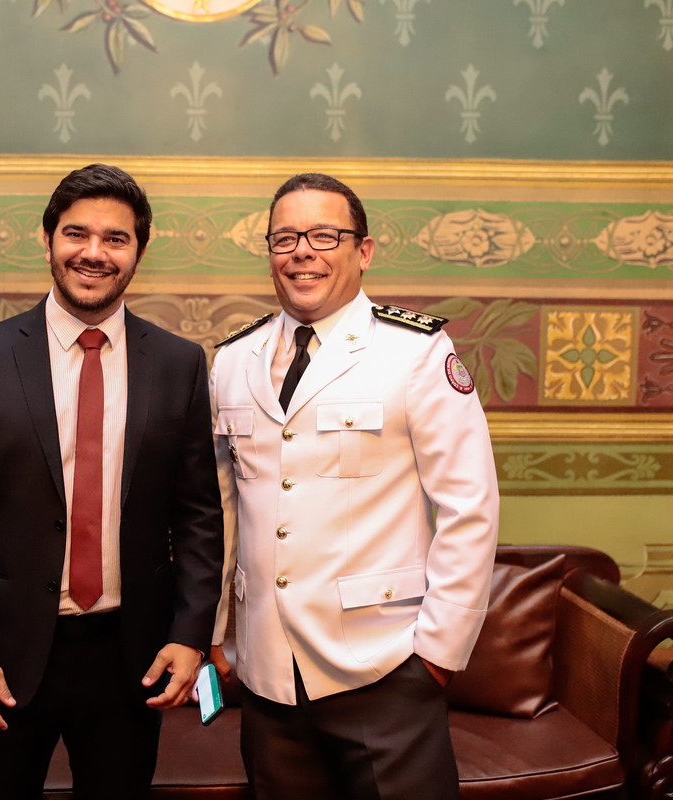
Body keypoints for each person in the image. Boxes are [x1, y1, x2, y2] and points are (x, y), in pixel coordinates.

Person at [0, 163, 224, 800]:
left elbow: (197, 516)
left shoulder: (179, 364)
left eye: (115, 238)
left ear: (139, 249)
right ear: (48, 240)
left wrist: (190, 635)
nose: (93, 253)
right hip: (0, 659)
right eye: (76, 234)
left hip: (129, 657)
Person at [208, 173, 500, 800]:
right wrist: (217, 636)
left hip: (385, 667)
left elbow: (469, 508)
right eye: (284, 237)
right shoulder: (233, 360)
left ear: (362, 252)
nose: (302, 251)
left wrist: (437, 657)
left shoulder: (415, 353)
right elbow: (223, 511)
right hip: (267, 676)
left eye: (323, 235)